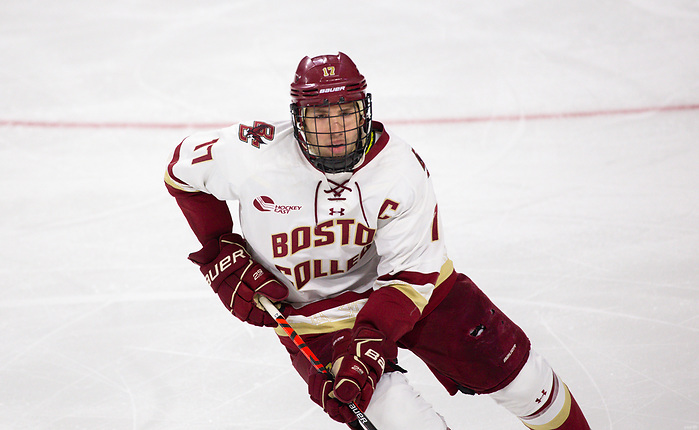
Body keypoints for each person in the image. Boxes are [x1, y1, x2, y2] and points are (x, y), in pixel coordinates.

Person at [165, 52, 591, 429]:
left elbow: (411, 273)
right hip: (318, 318)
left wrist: (372, 336)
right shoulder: (252, 151)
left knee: (527, 383)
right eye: (319, 116)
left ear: (364, 111)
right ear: (296, 118)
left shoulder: (399, 169)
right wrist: (218, 247)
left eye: (345, 114)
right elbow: (180, 172)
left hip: (415, 296)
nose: (335, 130)